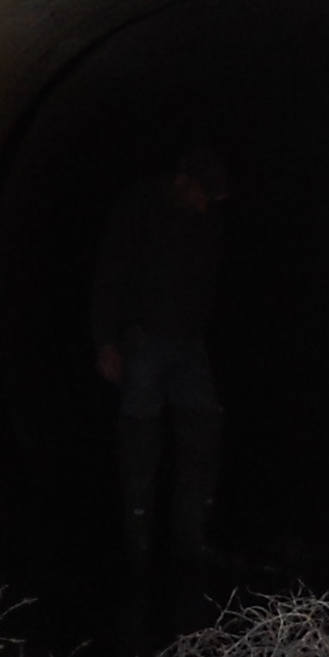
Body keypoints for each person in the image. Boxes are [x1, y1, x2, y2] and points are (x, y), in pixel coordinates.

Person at [90, 145, 231, 587]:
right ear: (183, 183)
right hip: (144, 339)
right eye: (202, 194)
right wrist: (107, 341)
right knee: (140, 437)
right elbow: (109, 274)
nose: (205, 204)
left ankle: (192, 537)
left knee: (203, 430)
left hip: (188, 342)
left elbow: (210, 280)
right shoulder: (138, 210)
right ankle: (139, 546)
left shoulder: (206, 222)